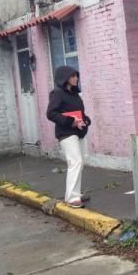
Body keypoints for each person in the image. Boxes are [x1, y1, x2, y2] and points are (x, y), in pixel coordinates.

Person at [46, 66, 91, 208]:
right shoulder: (57, 93)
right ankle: (71, 198)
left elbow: (79, 113)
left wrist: (86, 120)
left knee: (80, 162)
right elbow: (51, 113)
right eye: (73, 76)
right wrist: (70, 122)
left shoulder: (75, 95)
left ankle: (76, 194)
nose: (76, 78)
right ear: (64, 78)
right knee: (75, 162)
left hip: (79, 132)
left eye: (76, 76)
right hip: (65, 133)